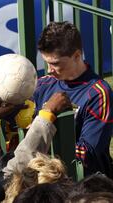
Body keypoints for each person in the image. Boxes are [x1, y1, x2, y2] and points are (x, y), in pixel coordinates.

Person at [33, 21, 113, 177]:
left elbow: (88, 153)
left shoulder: (99, 93)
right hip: (44, 177)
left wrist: (40, 134)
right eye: (46, 62)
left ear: (77, 55)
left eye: (55, 63)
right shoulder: (43, 84)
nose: (49, 70)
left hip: (85, 184)